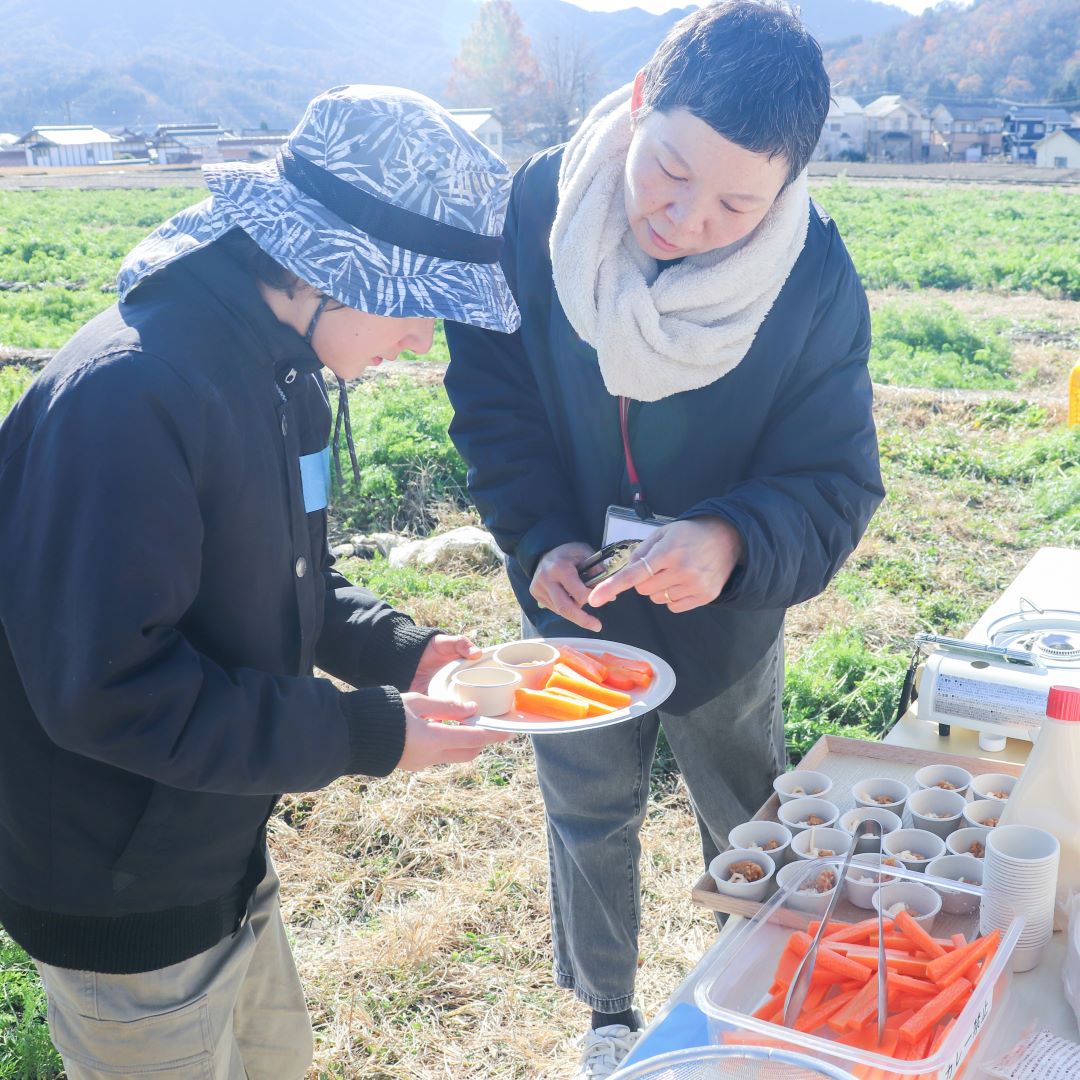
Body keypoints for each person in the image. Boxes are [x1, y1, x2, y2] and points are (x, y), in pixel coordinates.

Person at [0, 85, 520, 1080]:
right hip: (121, 894)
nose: (424, 338)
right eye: (420, 303)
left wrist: (407, 653)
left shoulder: (284, 378)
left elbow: (295, 577)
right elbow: (111, 694)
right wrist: (371, 731)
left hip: (218, 850)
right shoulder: (128, 398)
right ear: (332, 265)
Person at [442, 3, 885, 1075]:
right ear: (640, 102)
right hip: (576, 606)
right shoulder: (538, 211)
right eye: (670, 171)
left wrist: (733, 540)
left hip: (723, 615)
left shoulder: (811, 277)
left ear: (786, 192)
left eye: (739, 201)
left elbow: (836, 479)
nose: (687, 218)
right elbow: (493, 400)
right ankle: (605, 1013)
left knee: (746, 804)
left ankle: (761, 986)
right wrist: (539, 535)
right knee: (587, 802)